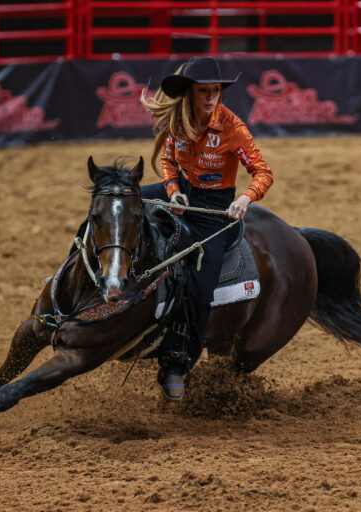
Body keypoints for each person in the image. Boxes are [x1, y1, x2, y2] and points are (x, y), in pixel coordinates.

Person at [138, 56, 273, 401]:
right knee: (122, 203)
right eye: (204, 92)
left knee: (201, 286)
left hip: (214, 209)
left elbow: (263, 173)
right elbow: (168, 160)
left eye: (216, 91)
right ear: (190, 93)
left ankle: (179, 363)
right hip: (183, 192)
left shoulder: (232, 128)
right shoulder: (178, 122)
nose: (211, 98)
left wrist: (245, 198)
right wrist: (172, 190)